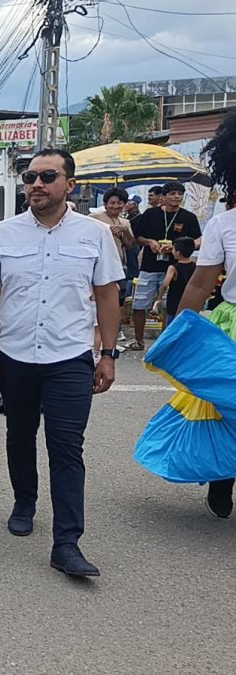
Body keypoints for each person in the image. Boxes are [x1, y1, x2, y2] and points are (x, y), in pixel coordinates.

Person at [0, 148, 125, 578]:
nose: (36, 184)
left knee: (66, 447)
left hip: (70, 358)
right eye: (29, 177)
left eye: (47, 176)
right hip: (15, 355)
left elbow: (107, 296)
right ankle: (25, 500)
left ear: (69, 185)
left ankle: (67, 543)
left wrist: (109, 355)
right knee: (19, 435)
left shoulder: (94, 235)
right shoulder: (3, 234)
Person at [173, 110, 236, 518]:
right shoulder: (224, 224)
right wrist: (177, 334)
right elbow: (198, 284)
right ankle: (223, 476)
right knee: (229, 407)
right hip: (234, 325)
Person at [131, 181, 202, 350]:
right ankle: (139, 341)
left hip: (177, 268)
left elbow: (199, 240)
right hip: (149, 266)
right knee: (139, 304)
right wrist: (150, 242)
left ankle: (167, 343)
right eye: (172, 194)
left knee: (171, 306)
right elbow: (138, 237)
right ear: (163, 197)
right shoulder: (150, 214)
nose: (176, 197)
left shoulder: (188, 217)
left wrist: (181, 246)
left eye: (180, 194)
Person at [90, 187, 135, 349]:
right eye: (112, 203)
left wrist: (124, 232)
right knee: (99, 300)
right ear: (105, 204)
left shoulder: (125, 222)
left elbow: (130, 245)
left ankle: (115, 330)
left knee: (118, 301)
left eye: (119, 203)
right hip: (99, 265)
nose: (115, 206)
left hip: (119, 265)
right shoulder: (94, 218)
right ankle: (97, 333)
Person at [155, 237, 196, 329]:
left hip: (174, 300)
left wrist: (159, 298)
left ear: (178, 253)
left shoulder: (173, 268)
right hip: (189, 299)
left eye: (173, 249)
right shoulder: (195, 266)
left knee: (172, 323)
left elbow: (165, 284)